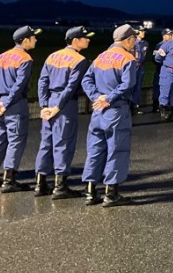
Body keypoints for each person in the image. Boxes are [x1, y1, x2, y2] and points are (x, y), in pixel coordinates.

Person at [81, 24, 138, 207]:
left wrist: (96, 97)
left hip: (98, 111)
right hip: (116, 110)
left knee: (95, 150)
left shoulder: (100, 57)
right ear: (128, 40)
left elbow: (86, 79)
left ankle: (90, 191)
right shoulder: (127, 58)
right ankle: (111, 194)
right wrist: (109, 98)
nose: (134, 43)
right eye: (133, 40)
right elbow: (127, 84)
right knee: (117, 149)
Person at [34, 26, 93, 199]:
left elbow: (42, 81)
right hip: (64, 105)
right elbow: (71, 87)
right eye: (85, 37)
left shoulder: (52, 56)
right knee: (64, 143)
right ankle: (60, 186)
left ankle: (40, 183)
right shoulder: (80, 60)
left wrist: (44, 105)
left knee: (46, 143)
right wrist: (57, 107)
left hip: (50, 101)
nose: (88, 40)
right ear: (75, 41)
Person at [0, 25, 41, 192]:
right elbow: (19, 85)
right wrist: (6, 103)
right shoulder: (25, 59)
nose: (36, 39)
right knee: (16, 141)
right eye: (33, 37)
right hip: (15, 104)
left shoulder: (0, 57)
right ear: (25, 40)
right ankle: (9, 180)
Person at [131, 26, 148, 115]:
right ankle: (129, 105)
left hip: (141, 66)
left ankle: (136, 105)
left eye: (144, 31)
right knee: (131, 85)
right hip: (133, 66)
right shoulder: (132, 43)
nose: (143, 32)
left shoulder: (145, 43)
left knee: (138, 86)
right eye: (142, 31)